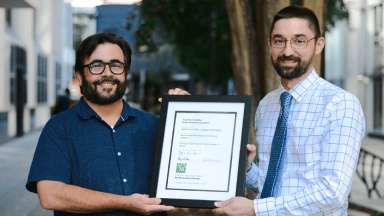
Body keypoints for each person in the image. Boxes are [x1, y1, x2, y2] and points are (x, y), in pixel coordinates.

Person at [212, 5, 366, 216]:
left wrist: (256, 208)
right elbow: (272, 184)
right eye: (279, 40)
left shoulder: (341, 105)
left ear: (319, 44)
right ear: (269, 45)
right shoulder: (267, 105)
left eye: (299, 40)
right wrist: (247, 167)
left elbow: (332, 193)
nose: (287, 51)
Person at [26, 32, 174, 216]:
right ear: (79, 76)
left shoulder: (155, 126)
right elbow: (51, 195)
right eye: (96, 66)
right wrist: (126, 203)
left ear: (125, 73)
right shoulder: (58, 128)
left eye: (115, 65)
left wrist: (185, 119)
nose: (107, 73)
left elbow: (181, 195)